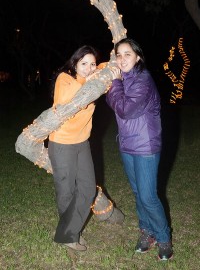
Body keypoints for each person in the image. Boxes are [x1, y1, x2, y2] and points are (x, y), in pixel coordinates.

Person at [106, 38, 173, 261]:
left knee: (148, 196)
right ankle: (147, 232)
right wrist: (115, 82)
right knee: (138, 193)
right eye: (119, 55)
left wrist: (114, 83)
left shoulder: (143, 80)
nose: (122, 59)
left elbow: (124, 109)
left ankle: (164, 238)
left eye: (127, 54)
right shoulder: (123, 79)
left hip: (145, 146)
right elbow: (114, 101)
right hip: (126, 144)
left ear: (138, 57)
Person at [48, 45, 100, 251]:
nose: (89, 68)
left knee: (88, 187)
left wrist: (103, 68)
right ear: (75, 63)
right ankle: (70, 234)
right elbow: (70, 100)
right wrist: (92, 79)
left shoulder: (93, 78)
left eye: (92, 64)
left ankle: (69, 230)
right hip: (62, 143)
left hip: (82, 142)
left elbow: (109, 65)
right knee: (66, 191)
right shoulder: (65, 79)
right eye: (84, 63)